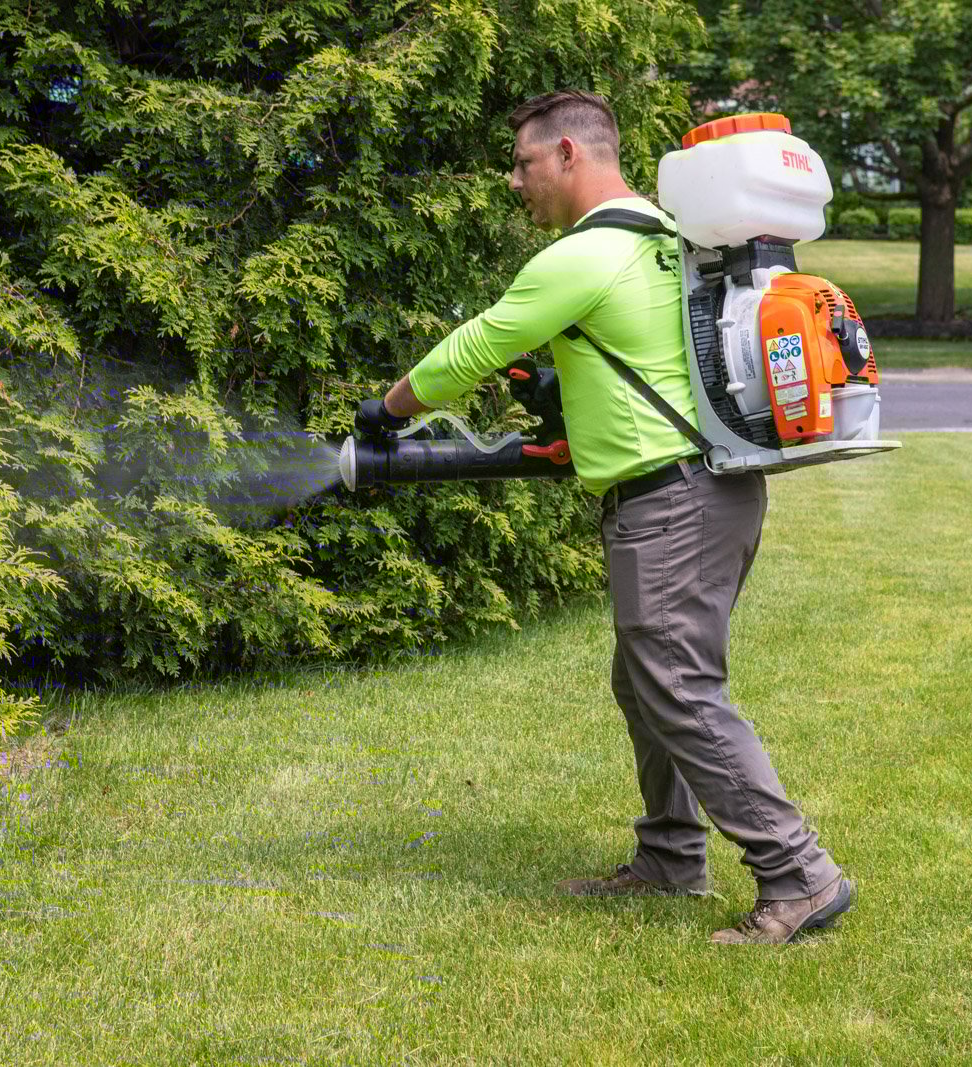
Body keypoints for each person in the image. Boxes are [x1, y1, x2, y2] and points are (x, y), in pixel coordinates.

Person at [355, 89, 852, 945]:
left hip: (673, 504)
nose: (517, 182)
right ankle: (670, 856)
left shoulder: (585, 254)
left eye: (524, 163)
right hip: (713, 490)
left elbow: (475, 348)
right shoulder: (670, 239)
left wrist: (389, 411)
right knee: (648, 679)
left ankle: (798, 872)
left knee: (678, 687)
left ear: (570, 156)